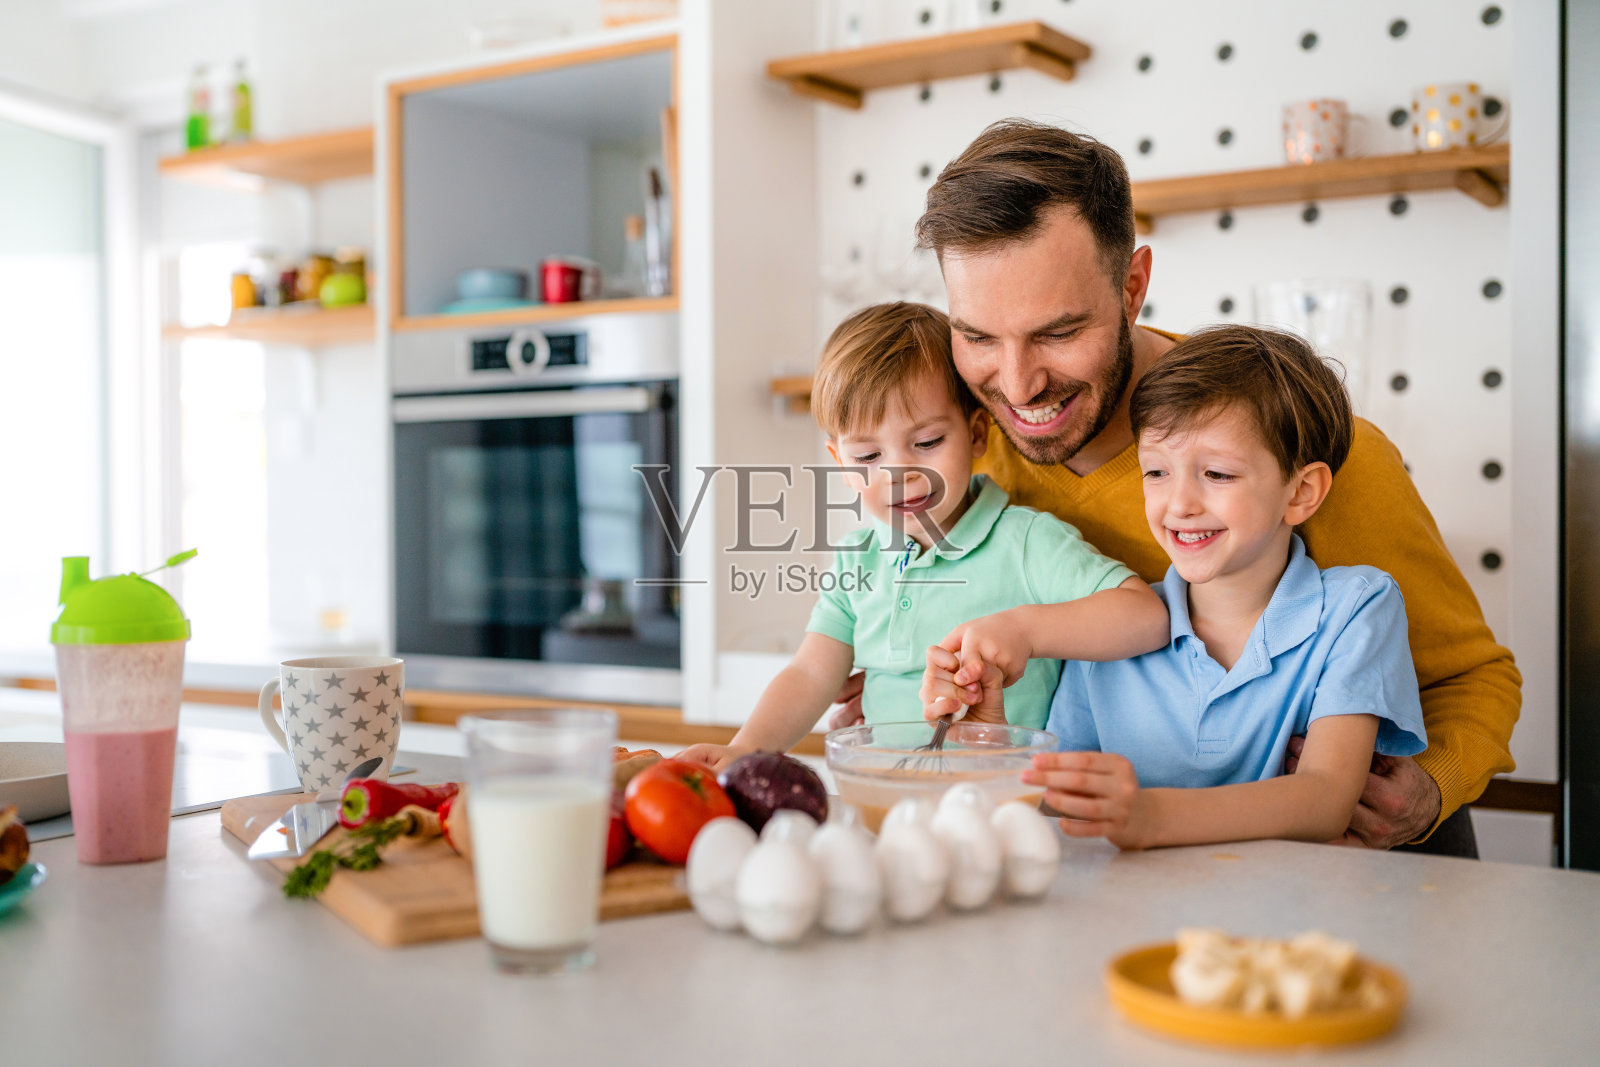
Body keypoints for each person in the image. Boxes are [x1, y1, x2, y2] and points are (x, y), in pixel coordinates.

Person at [838, 118, 1519, 855]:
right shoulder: (967, 458)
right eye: (976, 336)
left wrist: (1430, 787)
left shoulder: (1303, 452)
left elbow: (1474, 677)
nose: (1018, 381)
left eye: (1058, 332)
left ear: (1132, 287)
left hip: (1354, 871)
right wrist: (897, 685)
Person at [922, 326, 1428, 848]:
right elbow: (1061, 799)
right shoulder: (1109, 634)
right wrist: (988, 736)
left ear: (1301, 492)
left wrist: (1149, 815)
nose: (1179, 504)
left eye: (1217, 474)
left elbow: (1324, 800)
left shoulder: (1355, 608)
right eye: (1157, 472)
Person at [679, 301, 1169, 771]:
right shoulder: (857, 560)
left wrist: (1027, 630)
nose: (900, 474)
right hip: (885, 798)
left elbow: (1146, 618)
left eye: (928, 442)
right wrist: (746, 749)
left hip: (1007, 807)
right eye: (868, 457)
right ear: (841, 465)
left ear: (978, 434)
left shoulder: (1026, 541)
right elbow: (811, 673)